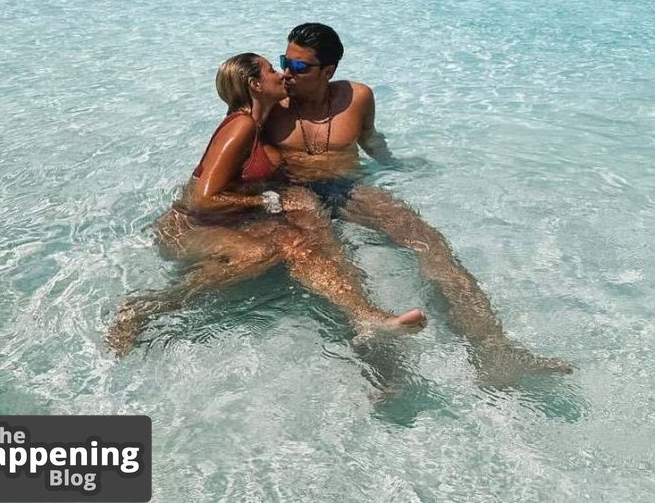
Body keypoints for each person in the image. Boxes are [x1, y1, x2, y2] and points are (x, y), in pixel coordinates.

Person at [264, 23, 572, 386]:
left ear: (327, 71)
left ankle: (495, 352)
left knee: (429, 243)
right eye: (284, 61)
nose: (286, 73)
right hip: (296, 191)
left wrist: (393, 166)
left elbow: (370, 140)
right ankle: (384, 368)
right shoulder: (271, 105)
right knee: (333, 264)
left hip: (348, 187)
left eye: (298, 66)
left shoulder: (357, 97)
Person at [107, 53, 425, 354]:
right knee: (259, 253)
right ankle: (146, 307)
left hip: (224, 220)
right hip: (188, 224)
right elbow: (203, 199)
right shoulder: (241, 125)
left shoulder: (262, 122)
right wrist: (265, 202)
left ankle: (364, 315)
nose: (282, 74)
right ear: (255, 85)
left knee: (298, 242)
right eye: (272, 69)